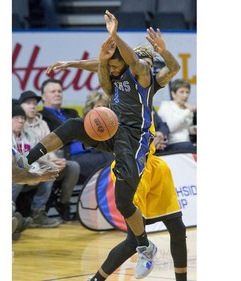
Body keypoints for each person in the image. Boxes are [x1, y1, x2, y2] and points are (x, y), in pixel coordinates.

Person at [45, 26, 186, 280]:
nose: (139, 64)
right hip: (131, 162)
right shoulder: (117, 84)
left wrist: (163, 52)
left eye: (144, 60)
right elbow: (101, 62)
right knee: (133, 237)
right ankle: (101, 276)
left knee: (177, 227)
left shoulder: (151, 83)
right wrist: (71, 63)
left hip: (152, 163)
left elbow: (171, 68)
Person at [18, 90, 80, 222]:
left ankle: (64, 203)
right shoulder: (17, 124)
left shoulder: (43, 123)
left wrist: (55, 159)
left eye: (35, 103)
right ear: (20, 106)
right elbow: (24, 153)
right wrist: (49, 162)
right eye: (28, 103)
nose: (33, 106)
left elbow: (49, 146)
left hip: (43, 161)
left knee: (72, 166)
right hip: (28, 164)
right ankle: (37, 211)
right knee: (47, 168)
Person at [40, 78, 114, 183]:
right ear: (43, 96)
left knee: (113, 153)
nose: (57, 94)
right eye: (53, 91)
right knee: (110, 159)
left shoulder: (71, 112)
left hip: (89, 150)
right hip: (68, 155)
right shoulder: (42, 117)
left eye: (59, 91)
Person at [12, 104, 61, 228]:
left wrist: (36, 171)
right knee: (16, 176)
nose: (21, 120)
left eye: (22, 118)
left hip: (26, 173)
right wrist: (28, 175)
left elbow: (35, 157)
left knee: (50, 170)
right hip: (13, 176)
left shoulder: (29, 134)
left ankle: (37, 213)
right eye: (16, 117)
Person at [157, 79, 196, 153]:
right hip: (172, 144)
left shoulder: (187, 107)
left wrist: (193, 129)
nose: (185, 95)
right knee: (189, 146)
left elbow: (185, 129)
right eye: (181, 92)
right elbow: (170, 127)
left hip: (187, 142)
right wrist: (188, 111)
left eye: (187, 92)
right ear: (173, 94)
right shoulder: (166, 105)